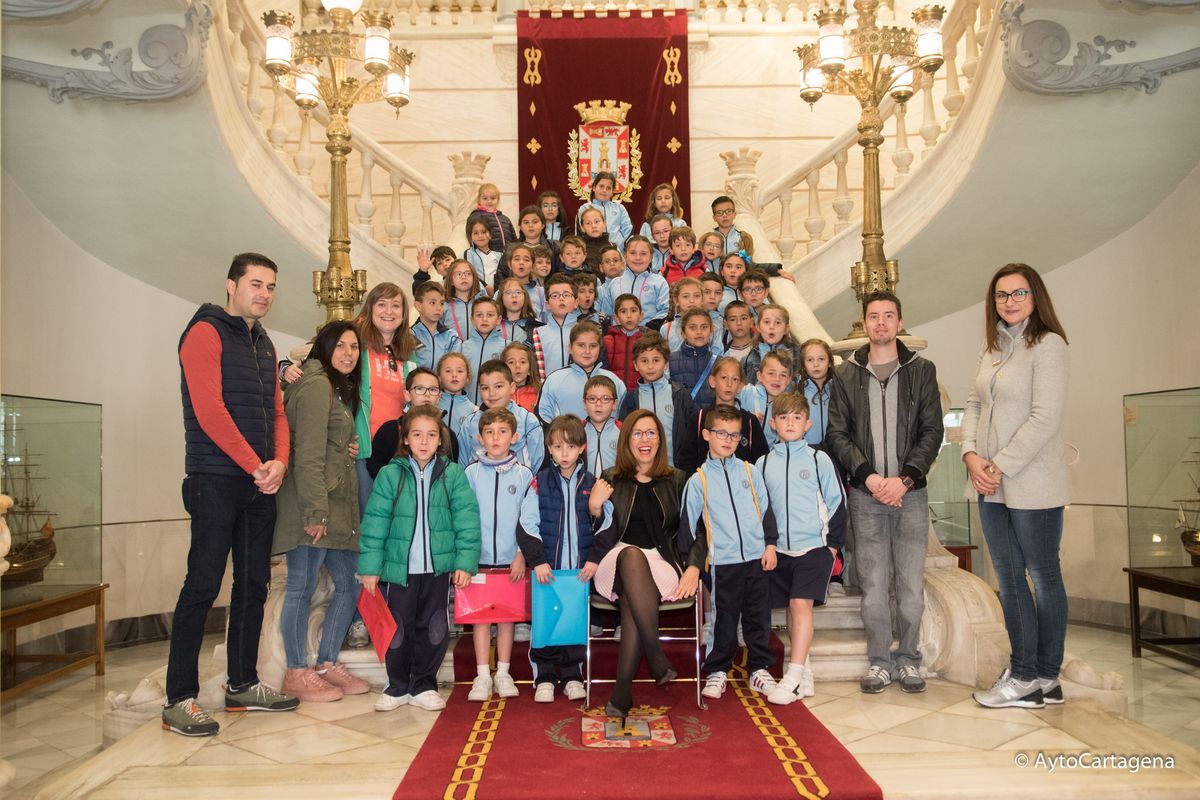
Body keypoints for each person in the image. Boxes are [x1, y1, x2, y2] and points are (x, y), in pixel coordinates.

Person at [166, 252, 297, 736]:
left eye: (270, 286)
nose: (263, 293)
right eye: (255, 283)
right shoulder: (205, 331)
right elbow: (209, 409)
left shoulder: (264, 343)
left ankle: (242, 684)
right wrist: (256, 465)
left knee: (253, 586)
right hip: (216, 478)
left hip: (260, 481)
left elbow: (277, 414)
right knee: (202, 585)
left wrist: (279, 463)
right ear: (231, 285)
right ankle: (179, 697)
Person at [826, 291, 943, 695]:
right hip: (866, 495)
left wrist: (904, 479)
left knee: (910, 587)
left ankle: (909, 660)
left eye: (888, 315)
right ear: (864, 322)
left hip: (910, 495)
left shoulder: (922, 370)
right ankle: (879, 661)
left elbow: (932, 431)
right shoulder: (845, 375)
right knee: (874, 587)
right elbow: (837, 434)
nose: (880, 323)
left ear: (899, 321)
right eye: (873, 316)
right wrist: (871, 478)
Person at [965, 264, 1071, 710]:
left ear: (1035, 296)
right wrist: (970, 456)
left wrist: (999, 465)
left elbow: (1045, 417)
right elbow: (973, 402)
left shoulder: (1048, 346)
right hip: (991, 484)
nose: (1009, 301)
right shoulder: (992, 349)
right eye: (1001, 295)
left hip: (1032, 483)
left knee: (1042, 577)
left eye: (1019, 293)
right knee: (1008, 580)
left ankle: (1040, 675)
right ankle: (1031, 672)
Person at [581, 410, 705, 718]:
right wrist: (594, 507)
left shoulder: (678, 479)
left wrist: (694, 566)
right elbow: (595, 532)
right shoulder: (610, 478)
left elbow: (700, 528)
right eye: (637, 433)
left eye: (651, 433)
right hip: (614, 557)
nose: (645, 439)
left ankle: (622, 693)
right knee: (631, 556)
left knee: (633, 598)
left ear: (661, 440)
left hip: (662, 561)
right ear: (626, 440)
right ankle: (655, 654)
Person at [360, 406, 481, 712]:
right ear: (406, 440)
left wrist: (464, 562)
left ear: (440, 440)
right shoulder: (390, 474)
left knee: (435, 626)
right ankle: (398, 685)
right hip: (400, 570)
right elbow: (375, 523)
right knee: (398, 628)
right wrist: (370, 568)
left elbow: (467, 520)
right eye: (417, 435)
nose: (424, 441)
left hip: (438, 570)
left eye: (431, 435)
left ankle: (424, 684)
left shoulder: (452, 474)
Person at [274, 321, 371, 703]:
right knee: (302, 584)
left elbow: (324, 443)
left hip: (335, 504)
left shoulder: (334, 388)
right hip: (313, 505)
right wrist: (314, 511)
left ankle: (327, 662)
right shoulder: (315, 385)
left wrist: (345, 445)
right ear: (324, 348)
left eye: (354, 347)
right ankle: (296, 671)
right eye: (341, 346)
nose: (349, 353)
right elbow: (308, 454)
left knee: (349, 583)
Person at [678, 404, 778, 701]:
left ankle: (759, 670)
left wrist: (770, 544)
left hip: (756, 558)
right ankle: (718, 669)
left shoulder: (751, 471)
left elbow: (766, 511)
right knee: (724, 618)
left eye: (734, 435)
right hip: (723, 562)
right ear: (707, 434)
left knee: (758, 617)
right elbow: (688, 526)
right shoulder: (698, 480)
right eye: (721, 433)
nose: (728, 440)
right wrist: (693, 564)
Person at [756, 392, 846, 704]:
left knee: (799, 605)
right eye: (783, 417)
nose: (790, 422)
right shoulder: (763, 462)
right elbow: (761, 509)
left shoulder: (819, 459)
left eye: (797, 417)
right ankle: (804, 669)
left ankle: (791, 676)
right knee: (794, 610)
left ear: (807, 424)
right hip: (779, 550)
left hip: (815, 547)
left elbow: (837, 503)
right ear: (773, 423)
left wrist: (833, 546)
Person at [523, 415, 613, 702]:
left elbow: (610, 523)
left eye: (571, 447)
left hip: (578, 572)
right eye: (558, 447)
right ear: (549, 448)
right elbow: (526, 524)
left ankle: (573, 674)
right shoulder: (540, 483)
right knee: (546, 623)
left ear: (582, 448)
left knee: (574, 622)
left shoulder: (592, 483)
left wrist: (594, 558)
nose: (564, 453)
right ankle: (545, 676)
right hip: (547, 571)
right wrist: (537, 560)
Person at [464, 407, 541, 702]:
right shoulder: (470, 473)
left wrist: (522, 554)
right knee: (481, 619)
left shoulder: (524, 476)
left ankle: (504, 672)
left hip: (512, 561)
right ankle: (483, 675)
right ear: (480, 438)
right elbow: (464, 516)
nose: (496, 438)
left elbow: (529, 518)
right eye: (490, 432)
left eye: (503, 432)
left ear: (515, 437)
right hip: (478, 560)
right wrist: (467, 556)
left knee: (507, 619)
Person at [618, 333, 701, 472]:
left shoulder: (680, 395)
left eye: (656, 360)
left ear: (666, 364)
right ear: (636, 365)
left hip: (675, 471)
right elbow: (625, 437)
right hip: (641, 472)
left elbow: (692, 435)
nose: (650, 366)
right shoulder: (631, 400)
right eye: (644, 361)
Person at [368, 366, 460, 474]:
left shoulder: (448, 435)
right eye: (420, 389)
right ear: (407, 395)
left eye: (433, 390)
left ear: (439, 397)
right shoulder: (389, 430)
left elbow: (452, 474)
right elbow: (375, 467)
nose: (427, 394)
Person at [459, 359, 545, 472]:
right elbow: (463, 464)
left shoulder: (528, 421)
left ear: (512, 387)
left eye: (498, 386)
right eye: (485, 388)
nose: (492, 393)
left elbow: (537, 463)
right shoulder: (470, 423)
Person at [537, 321, 625, 424]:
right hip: (567, 440)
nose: (587, 351)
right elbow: (543, 420)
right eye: (581, 345)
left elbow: (623, 422)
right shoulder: (554, 380)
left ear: (599, 349)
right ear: (570, 348)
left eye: (593, 346)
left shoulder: (614, 381)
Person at [703, 356, 769, 464]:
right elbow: (688, 461)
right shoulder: (699, 418)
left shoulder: (750, 421)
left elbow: (761, 460)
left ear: (740, 386)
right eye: (724, 377)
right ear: (712, 381)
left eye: (735, 379)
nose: (729, 384)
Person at [598, 236, 669, 328]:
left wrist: (647, 332)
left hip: (649, 338)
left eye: (643, 253)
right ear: (625, 256)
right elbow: (606, 315)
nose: (638, 257)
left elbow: (664, 312)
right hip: (619, 339)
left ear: (651, 257)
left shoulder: (659, 282)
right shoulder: (614, 283)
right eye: (633, 253)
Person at [669, 309, 720, 408]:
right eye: (692, 328)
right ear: (683, 333)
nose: (699, 332)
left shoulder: (720, 362)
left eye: (704, 327)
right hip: (683, 421)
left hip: (710, 420)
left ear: (710, 332)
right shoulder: (670, 361)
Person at [460, 297, 507, 404]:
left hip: (496, 406)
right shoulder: (463, 347)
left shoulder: (506, 346)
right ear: (472, 319)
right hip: (469, 407)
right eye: (479, 315)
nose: (484, 319)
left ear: (498, 320)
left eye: (490, 315)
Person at [743, 305, 802, 386]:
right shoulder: (748, 359)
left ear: (786, 329)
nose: (772, 327)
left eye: (778, 322)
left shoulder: (798, 354)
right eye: (767, 322)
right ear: (758, 327)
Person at [411, 281, 462, 372]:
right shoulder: (410, 336)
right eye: (432, 303)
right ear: (418, 306)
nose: (439, 308)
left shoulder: (452, 337)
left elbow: (453, 369)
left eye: (442, 303)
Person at [577, 171, 632, 250]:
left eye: (608, 188)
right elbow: (580, 234)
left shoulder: (619, 208)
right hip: (592, 252)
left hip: (617, 252)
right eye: (601, 186)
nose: (604, 190)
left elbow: (628, 232)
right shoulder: (584, 209)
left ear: (613, 191)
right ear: (594, 187)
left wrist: (624, 250)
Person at [603, 293, 648, 392]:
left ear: (641, 316)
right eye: (623, 311)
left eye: (633, 310)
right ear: (616, 318)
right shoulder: (607, 341)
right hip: (614, 394)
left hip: (641, 394)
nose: (629, 315)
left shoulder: (649, 340)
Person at [539, 273, 580, 375]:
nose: (561, 299)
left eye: (566, 295)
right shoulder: (537, 334)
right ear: (547, 304)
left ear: (576, 302)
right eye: (555, 295)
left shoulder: (585, 332)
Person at [582, 375, 621, 477]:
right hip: (585, 490)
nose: (598, 404)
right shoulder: (578, 431)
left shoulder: (624, 431)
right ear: (584, 404)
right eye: (592, 398)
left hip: (616, 489)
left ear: (614, 404)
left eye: (605, 398)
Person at [466, 182, 516, 256]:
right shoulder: (476, 217)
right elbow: (471, 236)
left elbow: (513, 238)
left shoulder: (505, 219)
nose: (489, 201)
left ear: (498, 200)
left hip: (506, 257)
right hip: (486, 256)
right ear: (478, 200)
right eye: (485, 198)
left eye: (492, 198)